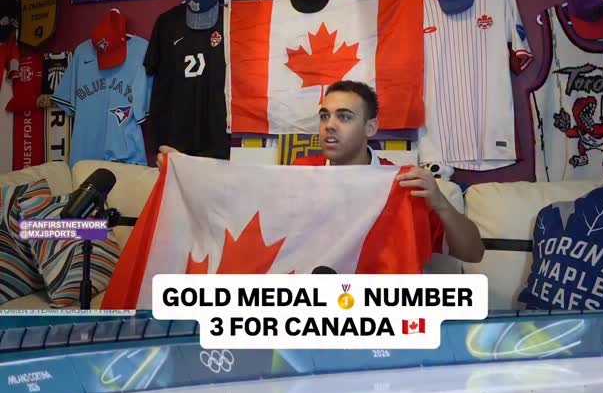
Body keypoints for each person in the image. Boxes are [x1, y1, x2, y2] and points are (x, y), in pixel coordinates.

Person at [156, 80, 484, 264]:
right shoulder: (301, 172)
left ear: (370, 127)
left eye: (343, 117)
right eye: (324, 115)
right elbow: (237, 208)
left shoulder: (403, 183)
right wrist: (186, 172)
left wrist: (440, 203)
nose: (329, 125)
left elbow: (473, 253)